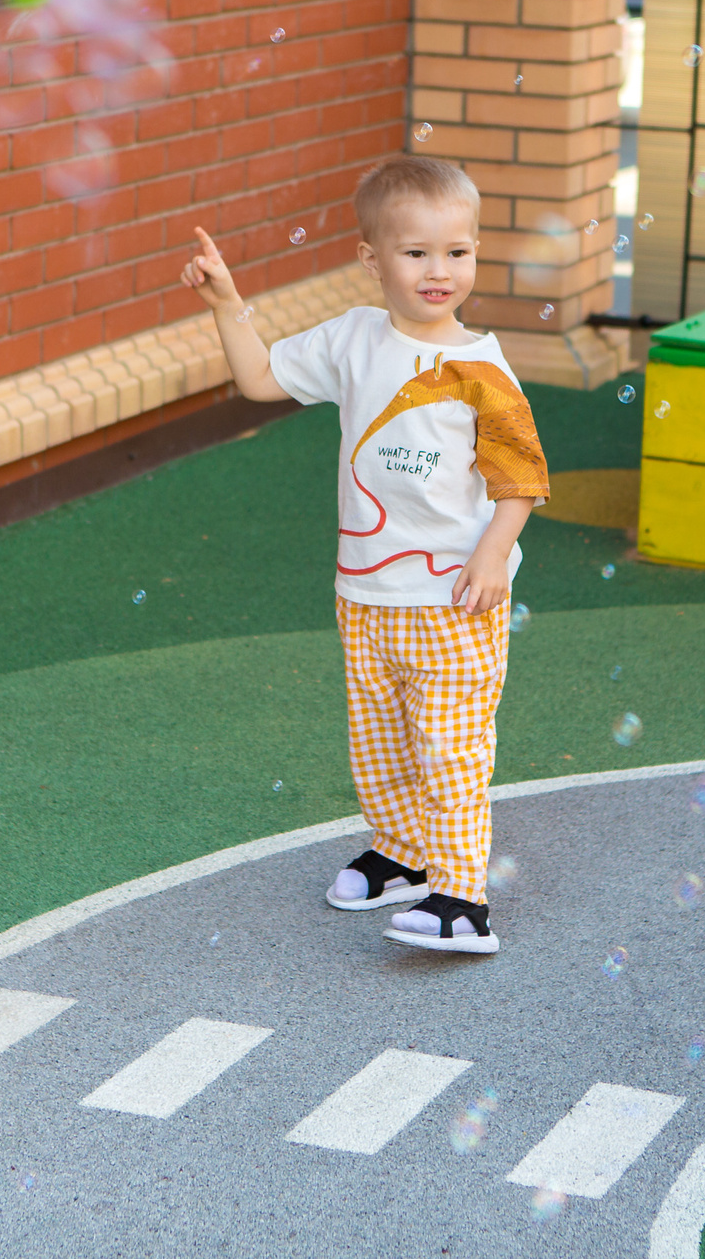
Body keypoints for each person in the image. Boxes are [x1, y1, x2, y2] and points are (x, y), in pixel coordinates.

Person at [179, 157, 548, 954]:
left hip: (454, 600)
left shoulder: (482, 368)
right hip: (367, 594)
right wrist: (227, 304)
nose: (439, 270)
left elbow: (520, 478)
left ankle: (461, 899)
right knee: (378, 739)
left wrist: (492, 556)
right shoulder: (354, 338)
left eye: (458, 252)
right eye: (416, 253)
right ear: (371, 258)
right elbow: (259, 379)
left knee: (450, 749)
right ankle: (403, 853)